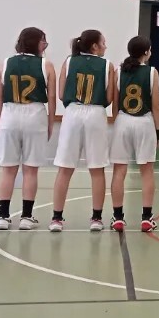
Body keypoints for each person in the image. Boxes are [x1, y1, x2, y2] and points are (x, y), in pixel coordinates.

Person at [50, 30, 116, 233]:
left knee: (65, 168)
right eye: (103, 43)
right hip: (96, 113)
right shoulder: (108, 66)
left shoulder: (69, 62)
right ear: (95, 46)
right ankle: (96, 218)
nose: (106, 46)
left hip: (73, 113)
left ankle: (56, 218)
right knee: (97, 169)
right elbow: (110, 97)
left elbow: (61, 94)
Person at [0, 27, 57, 231]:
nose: (45, 46)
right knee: (30, 170)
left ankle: (3, 216)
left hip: (9, 115)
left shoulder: (5, 63)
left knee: (8, 169)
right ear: (35, 43)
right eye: (43, 42)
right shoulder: (46, 65)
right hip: (35, 115)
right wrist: (50, 122)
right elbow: (53, 97)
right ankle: (27, 217)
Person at [109, 36, 159, 232]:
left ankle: (117, 217)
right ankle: (147, 217)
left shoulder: (118, 71)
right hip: (144, 122)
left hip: (123, 120)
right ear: (146, 52)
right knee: (147, 171)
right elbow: (156, 105)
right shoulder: (152, 73)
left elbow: (115, 102)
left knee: (119, 171)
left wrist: (117, 123)